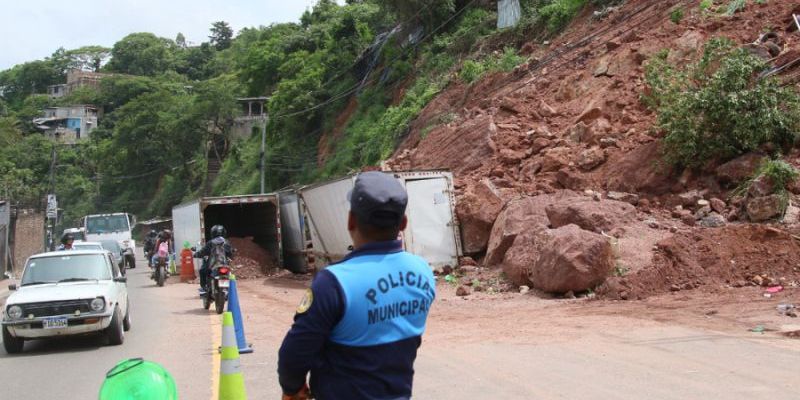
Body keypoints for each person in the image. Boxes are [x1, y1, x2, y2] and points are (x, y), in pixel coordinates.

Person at [277, 171, 436, 400]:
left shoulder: (333, 283)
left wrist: (292, 388)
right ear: (403, 223)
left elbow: (295, 353)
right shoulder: (423, 272)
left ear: (351, 220)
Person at [193, 225, 233, 295]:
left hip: (212, 264)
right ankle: (225, 290)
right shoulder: (226, 242)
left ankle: (204, 288)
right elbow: (230, 253)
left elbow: (203, 252)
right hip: (224, 264)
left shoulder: (210, 242)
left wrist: (196, 254)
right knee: (228, 274)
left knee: (202, 271)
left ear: (213, 233)